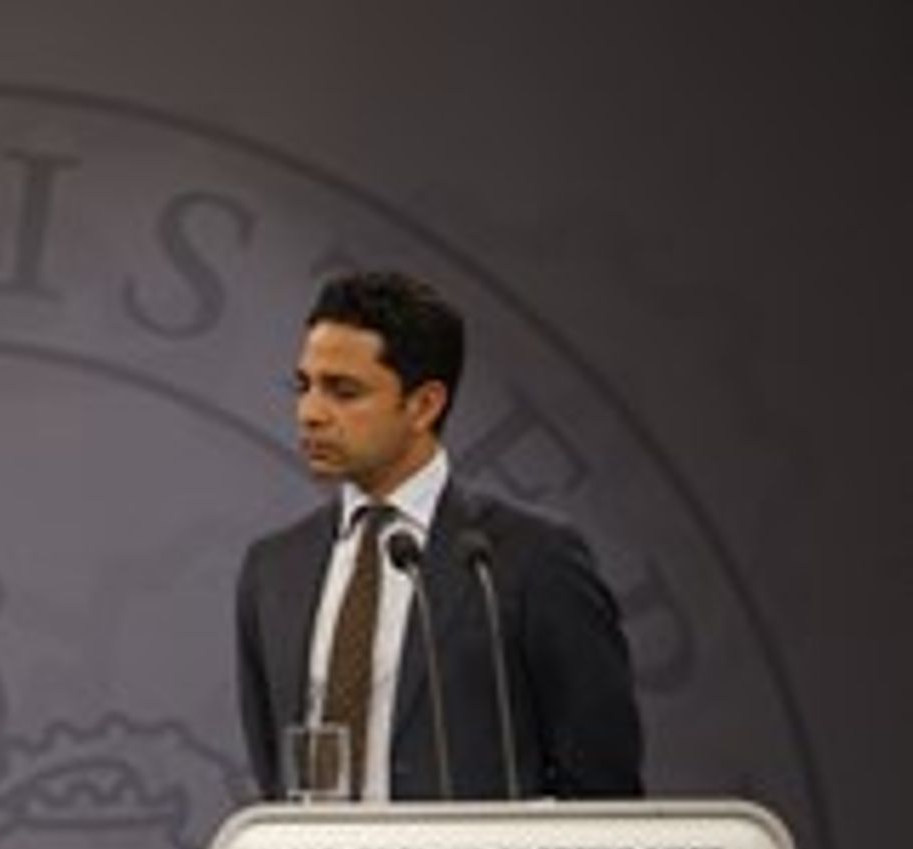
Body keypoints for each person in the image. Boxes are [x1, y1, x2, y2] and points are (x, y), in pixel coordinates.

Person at [235, 270, 643, 801]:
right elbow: (274, 783)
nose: (310, 413)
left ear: (424, 405)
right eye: (304, 386)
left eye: (343, 391)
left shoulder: (530, 560)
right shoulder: (273, 570)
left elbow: (603, 791)